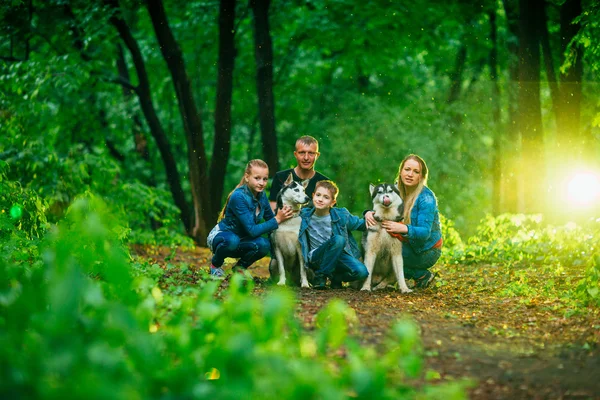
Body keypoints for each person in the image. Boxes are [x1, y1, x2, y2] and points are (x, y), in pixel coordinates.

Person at [365, 154, 442, 289]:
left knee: (387, 252)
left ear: (421, 177)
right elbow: (380, 205)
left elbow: (425, 233)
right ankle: (388, 278)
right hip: (408, 243)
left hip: (426, 250)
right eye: (407, 169)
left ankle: (420, 274)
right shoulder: (396, 192)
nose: (410, 174)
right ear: (400, 171)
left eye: (416, 171)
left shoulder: (426, 198)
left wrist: (403, 228)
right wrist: (367, 213)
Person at [207, 159, 293, 277]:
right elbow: (253, 230)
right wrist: (278, 219)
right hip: (223, 237)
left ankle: (239, 269)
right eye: (257, 178)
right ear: (247, 177)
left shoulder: (261, 196)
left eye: (265, 179)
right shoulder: (238, 196)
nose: (262, 183)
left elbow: (270, 220)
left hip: (242, 240)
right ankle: (215, 265)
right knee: (232, 241)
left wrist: (286, 217)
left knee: (264, 244)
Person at [299, 180, 369, 289]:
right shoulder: (303, 215)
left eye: (326, 197)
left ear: (333, 202)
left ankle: (336, 277)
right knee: (338, 240)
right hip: (316, 256)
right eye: (318, 195)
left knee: (361, 272)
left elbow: (361, 224)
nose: (320, 199)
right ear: (313, 196)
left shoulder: (341, 215)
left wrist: (368, 213)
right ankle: (320, 277)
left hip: (337, 255)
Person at [269, 135, 330, 211]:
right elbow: (273, 213)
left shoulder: (325, 183)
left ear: (317, 155)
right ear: (295, 154)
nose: (306, 158)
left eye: (311, 153)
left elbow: (329, 214)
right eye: (302, 153)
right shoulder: (280, 177)